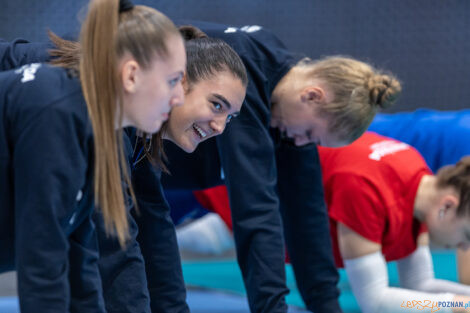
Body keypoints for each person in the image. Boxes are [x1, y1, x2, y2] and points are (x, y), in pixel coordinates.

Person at [159, 21, 401, 313]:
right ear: (312, 95)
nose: (301, 143)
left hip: (162, 173)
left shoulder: (287, 111)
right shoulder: (241, 70)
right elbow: (256, 208)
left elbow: (307, 213)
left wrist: (327, 306)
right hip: (128, 163)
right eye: (310, 135)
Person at [0, 0, 186, 312]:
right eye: (172, 80)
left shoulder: (94, 130)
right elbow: (42, 262)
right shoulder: (55, 111)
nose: (179, 96)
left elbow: (80, 259)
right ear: (130, 76)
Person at [183, 131, 470, 313]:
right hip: (227, 175)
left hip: (280, 192)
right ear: (448, 205)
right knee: (216, 231)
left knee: (221, 232)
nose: (464, 246)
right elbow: (375, 301)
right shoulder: (368, 190)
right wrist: (454, 306)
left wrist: (463, 300)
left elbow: (419, 285)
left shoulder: (424, 189)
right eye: (467, 235)